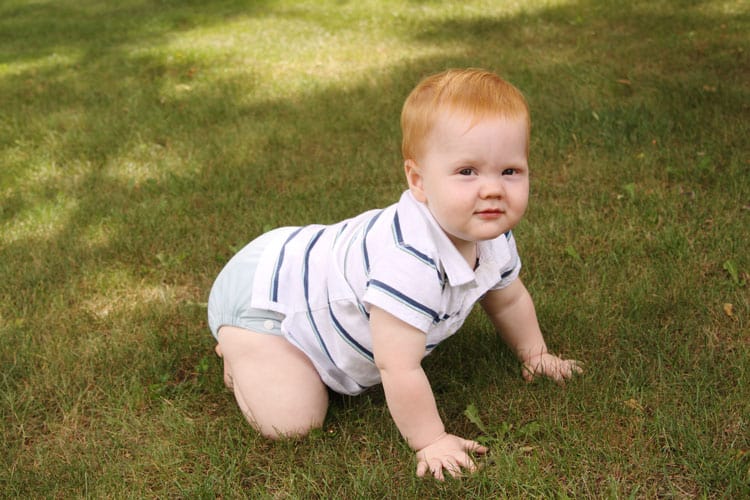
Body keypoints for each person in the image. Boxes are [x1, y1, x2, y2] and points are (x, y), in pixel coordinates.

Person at [207, 68, 582, 480]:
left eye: (510, 171)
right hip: (272, 302)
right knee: (293, 421)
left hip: (305, 266)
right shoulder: (409, 264)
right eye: (467, 172)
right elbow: (397, 366)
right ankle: (242, 348)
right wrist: (430, 439)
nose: (492, 189)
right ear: (418, 180)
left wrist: (537, 354)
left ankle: (254, 354)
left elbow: (507, 296)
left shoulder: (488, 230)